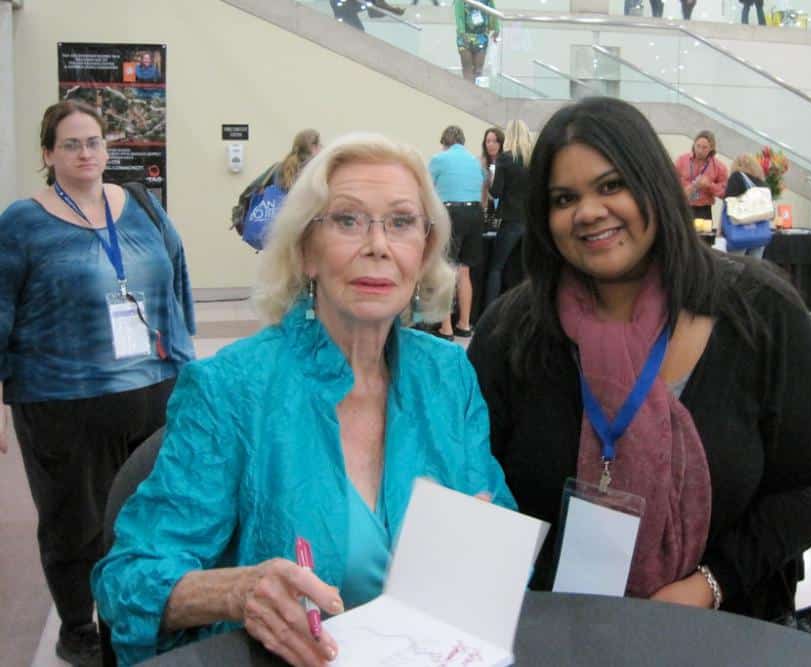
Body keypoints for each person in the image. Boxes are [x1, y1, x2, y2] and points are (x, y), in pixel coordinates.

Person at [93, 132, 516, 667]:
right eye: (347, 220)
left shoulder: (448, 375)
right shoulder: (232, 388)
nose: (378, 245)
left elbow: (497, 515)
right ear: (305, 251)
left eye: (402, 222)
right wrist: (235, 592)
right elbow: (128, 576)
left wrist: (487, 542)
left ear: (424, 252)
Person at [468, 97, 811, 620]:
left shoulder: (758, 314)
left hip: (727, 632)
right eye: (563, 198)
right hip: (558, 633)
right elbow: (473, 485)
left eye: (611, 185)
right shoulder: (512, 334)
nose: (588, 212)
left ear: (653, 186)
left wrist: (709, 584)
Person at [0, 100, 196, 667]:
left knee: (152, 510)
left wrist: (186, 366)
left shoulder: (141, 205)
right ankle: (77, 627)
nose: (86, 154)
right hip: (61, 399)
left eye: (94, 142)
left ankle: (135, 611)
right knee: (74, 521)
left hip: (153, 389)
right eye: (71, 144)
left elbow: (177, 281)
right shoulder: (22, 222)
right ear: (47, 154)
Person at [428, 125, 485, 340]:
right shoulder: (474, 161)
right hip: (475, 214)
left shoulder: (439, 159)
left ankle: (446, 327)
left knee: (446, 268)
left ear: (445, 142)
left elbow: (426, 189)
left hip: (452, 213)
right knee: (464, 271)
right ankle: (464, 324)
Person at [483, 120, 532, 308]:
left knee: (497, 268)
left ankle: (490, 312)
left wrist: (491, 180)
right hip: (529, 222)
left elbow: (495, 192)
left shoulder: (505, 159)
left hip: (510, 221)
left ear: (509, 136)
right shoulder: (532, 159)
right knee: (525, 271)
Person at [675, 129, 728, 224]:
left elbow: (724, 193)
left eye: (704, 148)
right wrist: (686, 189)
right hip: (682, 206)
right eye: (698, 146)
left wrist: (709, 185)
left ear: (711, 148)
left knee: (702, 238)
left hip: (703, 211)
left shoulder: (719, 167)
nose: (700, 150)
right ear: (694, 144)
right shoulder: (682, 160)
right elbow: (671, 182)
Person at [723, 153, 771, 258]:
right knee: (755, 266)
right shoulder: (763, 184)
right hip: (759, 232)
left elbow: (728, 203)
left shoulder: (736, 177)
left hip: (741, 231)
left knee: (735, 265)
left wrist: (721, 230)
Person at [454, 0, 500, 83]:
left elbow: (493, 11)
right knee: (467, 67)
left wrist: (496, 28)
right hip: (465, 36)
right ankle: (468, 92)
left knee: (478, 70)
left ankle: (475, 92)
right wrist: (461, 31)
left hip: (481, 37)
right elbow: (458, 14)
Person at [480, 126, 504, 226]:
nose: (491, 145)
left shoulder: (506, 163)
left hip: (502, 210)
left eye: (495, 141)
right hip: (484, 208)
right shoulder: (480, 162)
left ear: (501, 143)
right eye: (488, 141)